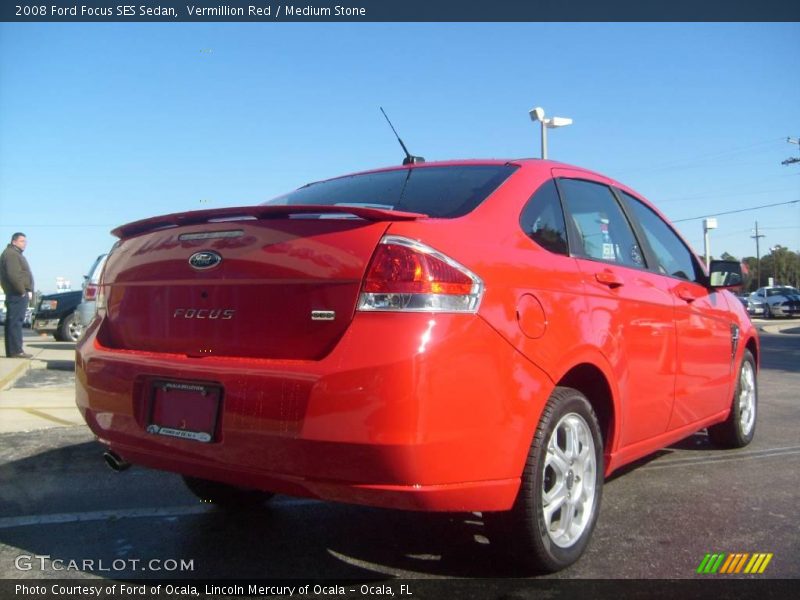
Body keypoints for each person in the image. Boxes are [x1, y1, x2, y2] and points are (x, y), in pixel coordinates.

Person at [1, 232, 34, 358]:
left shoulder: (14, 254)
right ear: (14, 241)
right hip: (16, 293)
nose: (24, 244)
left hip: (16, 293)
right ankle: (16, 351)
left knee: (14, 322)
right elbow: (13, 275)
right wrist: (21, 291)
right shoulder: (11, 254)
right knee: (15, 322)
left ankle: (13, 351)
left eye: (25, 241)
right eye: (21, 241)